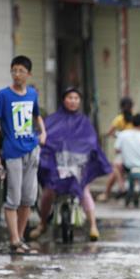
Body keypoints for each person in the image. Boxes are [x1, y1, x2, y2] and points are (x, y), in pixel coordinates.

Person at [30, 87, 111, 242]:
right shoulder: (52, 120)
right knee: (48, 193)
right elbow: (45, 139)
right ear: (63, 100)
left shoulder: (85, 122)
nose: (73, 101)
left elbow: (91, 142)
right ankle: (42, 224)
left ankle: (93, 225)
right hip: (56, 166)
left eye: (76, 98)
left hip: (77, 167)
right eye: (70, 98)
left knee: (84, 191)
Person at [0, 55, 47, 254]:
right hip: (12, 150)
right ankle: (14, 240)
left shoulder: (32, 93)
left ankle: (20, 238)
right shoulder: (3, 95)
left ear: (29, 74)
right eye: (14, 70)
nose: (17, 74)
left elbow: (36, 115)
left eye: (21, 71)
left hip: (32, 149)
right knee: (13, 197)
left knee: (28, 198)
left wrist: (43, 132)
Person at [99, 97, 133, 201]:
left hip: (123, 151)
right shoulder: (136, 118)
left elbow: (110, 132)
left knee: (115, 169)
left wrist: (119, 135)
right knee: (115, 171)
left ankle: (116, 189)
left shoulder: (119, 119)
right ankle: (107, 193)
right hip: (135, 150)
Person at [115, 112, 140, 176]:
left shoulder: (123, 134)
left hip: (128, 165)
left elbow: (117, 150)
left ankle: (121, 184)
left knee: (116, 163)